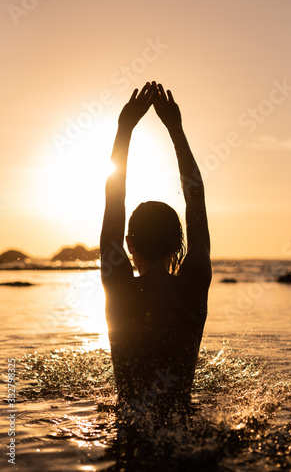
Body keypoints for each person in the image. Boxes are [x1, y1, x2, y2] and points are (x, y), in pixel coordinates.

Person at [100, 82, 211, 410]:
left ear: (129, 244)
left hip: (129, 430)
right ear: (181, 243)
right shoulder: (193, 284)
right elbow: (195, 199)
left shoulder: (119, 287)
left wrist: (125, 128)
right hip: (183, 425)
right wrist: (175, 129)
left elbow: (114, 198)